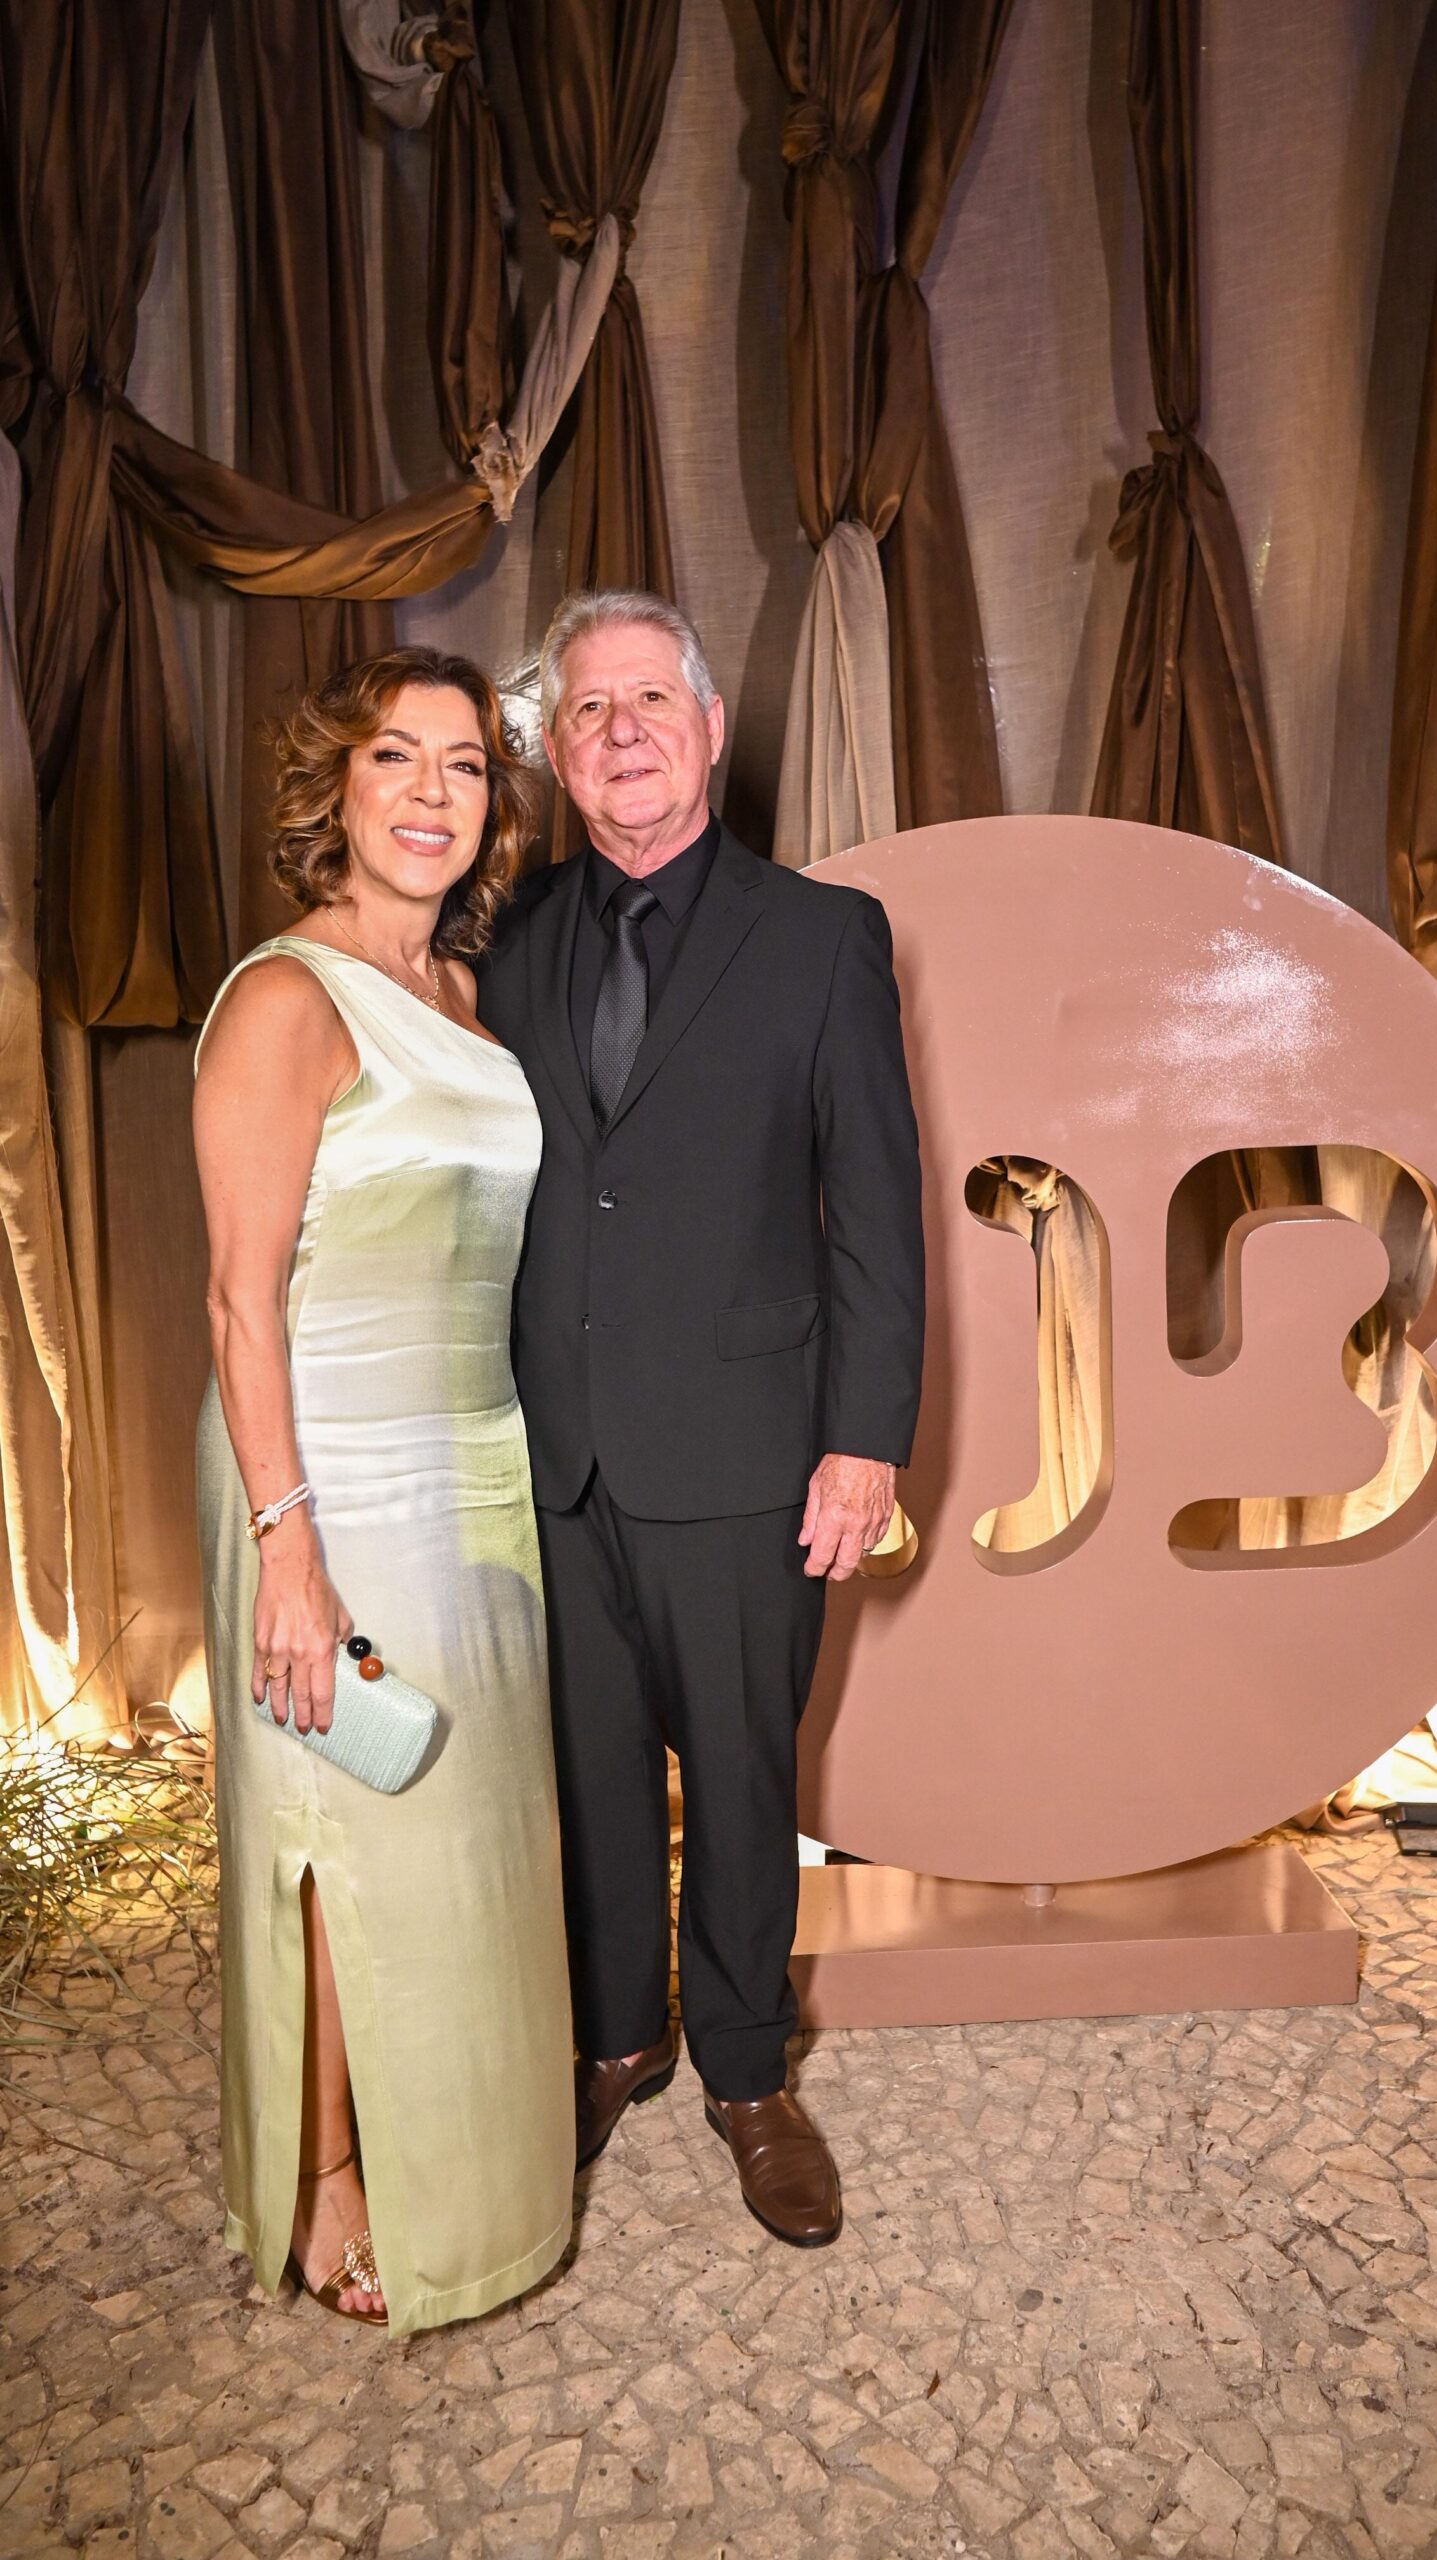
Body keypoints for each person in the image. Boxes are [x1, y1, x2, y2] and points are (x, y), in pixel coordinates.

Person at [476, 590, 925, 2248]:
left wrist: (865, 1440)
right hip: (550, 1446)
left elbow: (875, 1211)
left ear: (713, 728)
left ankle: (745, 2070)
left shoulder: (823, 936)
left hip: (747, 1446)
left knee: (739, 1773)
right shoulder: (504, 935)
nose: (621, 733)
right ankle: (615, 2038)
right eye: (587, 710)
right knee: (588, 1768)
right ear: (556, 751)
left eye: (650, 700)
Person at [193, 646, 575, 2332]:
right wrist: (288, 1547)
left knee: (456, 1833)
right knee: (343, 1823)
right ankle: (330, 2177)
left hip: (473, 1463)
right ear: (333, 792)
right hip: (325, 1471)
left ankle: (470, 2171)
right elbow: (236, 1299)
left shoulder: (466, 995)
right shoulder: (287, 998)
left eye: (466, 764)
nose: (433, 793)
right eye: (395, 759)